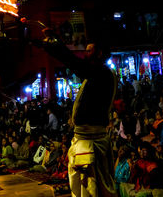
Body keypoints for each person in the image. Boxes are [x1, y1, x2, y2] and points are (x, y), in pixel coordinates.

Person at [37, 35, 118, 196]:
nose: (85, 54)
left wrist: (55, 44)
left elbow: (73, 62)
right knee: (85, 185)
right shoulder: (96, 74)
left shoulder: (101, 73)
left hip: (92, 139)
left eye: (89, 51)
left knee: (92, 185)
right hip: (85, 137)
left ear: (99, 53)